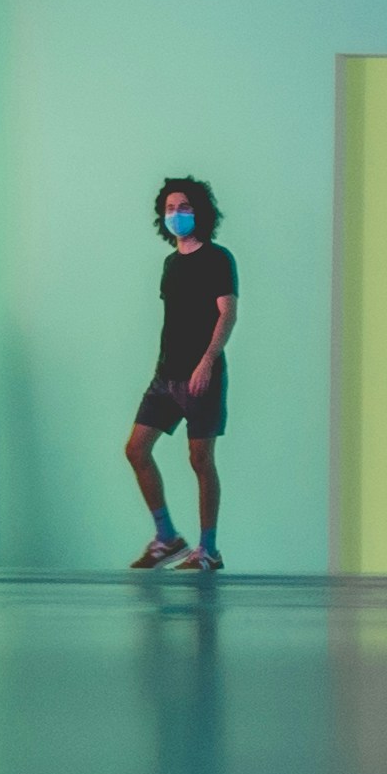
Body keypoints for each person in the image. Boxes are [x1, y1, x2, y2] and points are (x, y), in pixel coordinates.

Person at [123, 174, 240, 571]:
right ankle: (167, 537)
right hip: (165, 376)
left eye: (185, 207)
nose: (177, 215)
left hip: (200, 375)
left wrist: (207, 361)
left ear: (200, 212)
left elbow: (227, 314)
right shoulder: (170, 263)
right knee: (136, 449)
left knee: (200, 459)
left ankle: (208, 550)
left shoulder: (218, 259)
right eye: (171, 209)